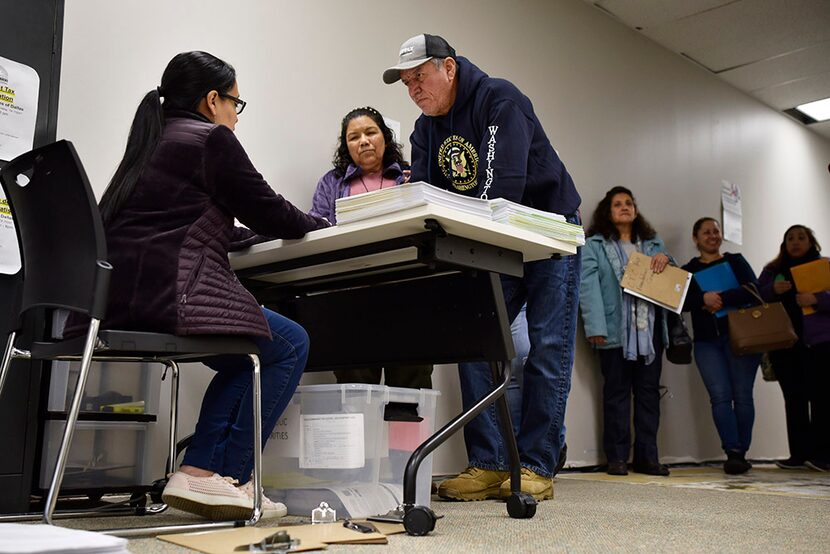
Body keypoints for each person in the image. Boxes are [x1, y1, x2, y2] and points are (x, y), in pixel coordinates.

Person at [94, 51, 329, 520]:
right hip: (171, 298)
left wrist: (250, 234)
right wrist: (318, 222)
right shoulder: (209, 139)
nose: (235, 117)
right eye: (235, 104)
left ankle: (200, 473)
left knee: (244, 357)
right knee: (288, 343)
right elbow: (270, 208)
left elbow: (182, 223)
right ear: (212, 99)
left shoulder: (151, 141)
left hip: (117, 302)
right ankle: (236, 480)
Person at [383, 34, 582, 501]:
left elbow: (503, 189)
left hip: (547, 231)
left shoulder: (500, 98)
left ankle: (537, 463)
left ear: (449, 68)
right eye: (407, 83)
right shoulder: (423, 128)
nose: (414, 89)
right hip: (491, 238)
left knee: (549, 345)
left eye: (420, 77)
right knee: (475, 341)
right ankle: (489, 463)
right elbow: (428, 199)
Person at [309, 106, 432, 389]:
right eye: (354, 137)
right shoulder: (332, 182)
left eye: (370, 132)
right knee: (355, 389)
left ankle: (414, 436)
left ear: (384, 139)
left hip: (408, 294)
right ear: (347, 146)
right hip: (351, 298)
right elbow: (317, 228)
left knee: (410, 390)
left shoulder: (410, 175)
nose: (363, 140)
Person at [579, 186, 672, 477]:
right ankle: (617, 458)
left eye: (629, 203)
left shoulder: (654, 245)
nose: (624, 207)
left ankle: (648, 458)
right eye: (617, 204)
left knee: (648, 395)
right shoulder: (595, 244)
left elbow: (674, 282)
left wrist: (667, 261)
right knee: (616, 394)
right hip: (613, 331)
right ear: (608, 211)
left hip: (650, 333)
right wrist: (595, 327)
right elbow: (588, 287)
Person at [681, 217, 761, 474]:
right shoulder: (688, 270)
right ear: (696, 238)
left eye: (716, 231)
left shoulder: (735, 260)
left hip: (742, 337)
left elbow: (754, 290)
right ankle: (732, 451)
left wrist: (720, 298)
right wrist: (701, 298)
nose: (712, 235)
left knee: (743, 396)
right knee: (720, 398)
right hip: (706, 342)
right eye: (706, 232)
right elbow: (680, 302)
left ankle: (741, 451)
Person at [759, 225, 830, 472]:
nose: (796, 242)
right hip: (785, 344)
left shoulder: (824, 266)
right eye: (790, 238)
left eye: (801, 238)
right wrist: (771, 291)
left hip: (820, 344)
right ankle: (798, 454)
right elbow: (756, 295)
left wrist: (817, 300)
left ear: (812, 242)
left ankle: (822, 455)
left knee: (822, 399)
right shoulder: (773, 270)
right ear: (784, 243)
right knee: (794, 398)